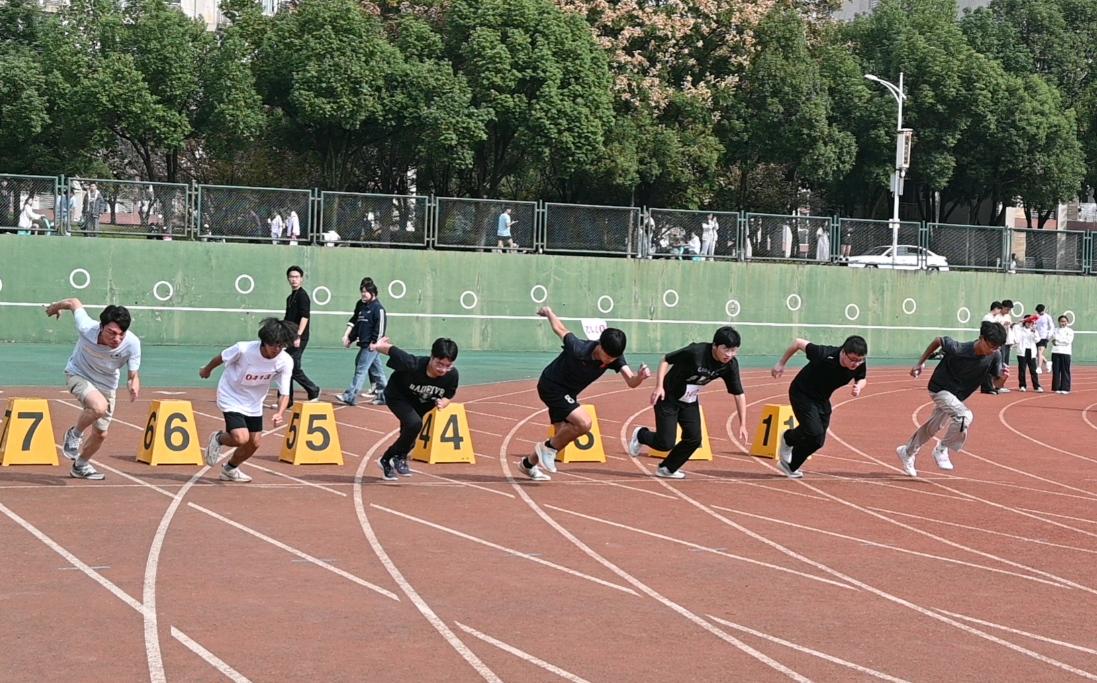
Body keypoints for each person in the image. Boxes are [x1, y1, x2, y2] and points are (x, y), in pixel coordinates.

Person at [519, 306, 651, 481]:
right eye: (607, 356)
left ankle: (528, 464)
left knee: (563, 436)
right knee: (584, 423)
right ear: (600, 345)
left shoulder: (615, 357)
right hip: (551, 385)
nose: (610, 360)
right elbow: (560, 329)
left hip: (568, 394)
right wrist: (549, 312)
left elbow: (631, 381)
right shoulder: (579, 348)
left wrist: (640, 377)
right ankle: (548, 450)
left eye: (613, 358)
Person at [628, 327, 748, 479]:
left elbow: (739, 394)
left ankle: (667, 468)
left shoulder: (730, 365)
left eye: (733, 350)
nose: (729, 354)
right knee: (665, 443)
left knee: (694, 439)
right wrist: (659, 387)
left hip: (689, 400)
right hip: (668, 396)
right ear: (715, 346)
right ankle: (641, 435)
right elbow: (665, 359)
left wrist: (742, 423)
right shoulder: (696, 352)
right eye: (726, 349)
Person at [44, 298, 142, 480]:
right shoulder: (87, 327)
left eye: (121, 334)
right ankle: (74, 434)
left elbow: (133, 375)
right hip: (78, 374)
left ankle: (80, 465)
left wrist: (133, 385)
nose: (117, 339)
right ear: (101, 327)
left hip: (107, 384)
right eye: (112, 333)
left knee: (100, 434)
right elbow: (74, 302)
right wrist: (54, 308)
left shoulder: (132, 343)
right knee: (98, 407)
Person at [896, 321, 1008, 477]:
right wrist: (920, 363)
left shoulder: (995, 355)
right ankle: (942, 448)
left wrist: (1003, 378)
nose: (994, 350)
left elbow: (996, 383)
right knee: (964, 416)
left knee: (934, 427)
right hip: (940, 388)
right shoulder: (960, 349)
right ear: (981, 338)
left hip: (956, 395)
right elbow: (938, 340)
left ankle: (907, 451)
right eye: (991, 346)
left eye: (997, 347)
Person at [199, 318, 297, 483]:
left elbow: (284, 393)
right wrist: (207, 370)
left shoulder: (285, 361)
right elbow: (221, 358)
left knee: (254, 443)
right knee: (240, 438)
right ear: (264, 342)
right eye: (274, 345)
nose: (277, 349)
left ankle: (230, 469)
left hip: (254, 402)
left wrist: (280, 413)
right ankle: (218, 438)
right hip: (231, 395)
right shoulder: (243, 349)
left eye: (281, 346)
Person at [770, 336, 868, 479]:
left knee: (818, 441)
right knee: (813, 431)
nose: (856, 364)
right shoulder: (824, 354)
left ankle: (790, 465)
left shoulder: (859, 363)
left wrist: (858, 386)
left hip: (822, 399)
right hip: (802, 393)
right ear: (843, 352)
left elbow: (862, 378)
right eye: (853, 359)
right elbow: (798, 343)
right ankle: (788, 437)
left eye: (860, 360)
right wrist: (781, 363)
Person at [371, 336, 460, 480]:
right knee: (414, 424)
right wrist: (378, 346)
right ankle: (400, 458)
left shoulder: (452, 375)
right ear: (431, 357)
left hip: (422, 403)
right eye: (439, 364)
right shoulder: (413, 364)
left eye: (447, 365)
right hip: (398, 396)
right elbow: (392, 350)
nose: (442, 369)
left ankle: (386, 460)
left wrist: (443, 402)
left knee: (409, 438)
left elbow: (449, 395)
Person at [337, 278, 388, 406]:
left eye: (366, 292)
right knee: (377, 372)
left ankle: (350, 396)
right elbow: (358, 324)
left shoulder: (378, 309)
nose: (363, 294)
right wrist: (350, 338)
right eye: (362, 291)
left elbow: (380, 328)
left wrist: (374, 343)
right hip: (364, 343)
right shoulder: (362, 306)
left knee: (361, 368)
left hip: (372, 345)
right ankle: (385, 396)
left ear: (373, 293)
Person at [282, 266, 320, 407]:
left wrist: (298, 335)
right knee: (286, 366)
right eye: (291, 277)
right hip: (289, 337)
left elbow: (305, 317)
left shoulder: (303, 296)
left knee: (293, 368)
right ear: (288, 279)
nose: (294, 279)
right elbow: (287, 319)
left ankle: (313, 389)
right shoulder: (290, 297)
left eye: (296, 277)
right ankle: (288, 400)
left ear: (301, 279)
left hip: (299, 338)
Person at [1014, 315, 1041, 392]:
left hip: (1031, 351)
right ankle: (1022, 385)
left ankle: (1036, 386)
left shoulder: (1034, 330)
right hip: (1022, 351)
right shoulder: (1019, 329)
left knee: (1033, 370)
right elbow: (1015, 327)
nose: (1029, 324)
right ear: (1024, 322)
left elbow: (1037, 340)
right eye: (1028, 322)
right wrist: (1020, 321)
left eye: (1031, 322)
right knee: (1022, 369)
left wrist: (1034, 332)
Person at [1050, 314, 1074, 394]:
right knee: (1056, 370)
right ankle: (1056, 387)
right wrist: (1059, 341)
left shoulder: (1070, 331)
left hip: (1066, 353)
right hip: (1055, 352)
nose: (1063, 323)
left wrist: (1058, 341)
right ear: (1059, 322)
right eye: (1061, 321)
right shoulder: (1055, 330)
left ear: (1067, 322)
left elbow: (1068, 341)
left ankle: (1065, 388)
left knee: (1065, 370)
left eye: (1064, 321)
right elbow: (1054, 341)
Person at [1034, 304, 1053, 372]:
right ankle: (1047, 362)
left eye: (1041, 311)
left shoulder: (1047, 317)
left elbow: (1052, 327)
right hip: (1036, 337)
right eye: (1039, 312)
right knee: (1037, 354)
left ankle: (1039, 367)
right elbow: (1034, 325)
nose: (1040, 313)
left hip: (1044, 337)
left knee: (1039, 351)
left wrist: (1049, 335)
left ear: (1044, 310)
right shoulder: (1036, 317)